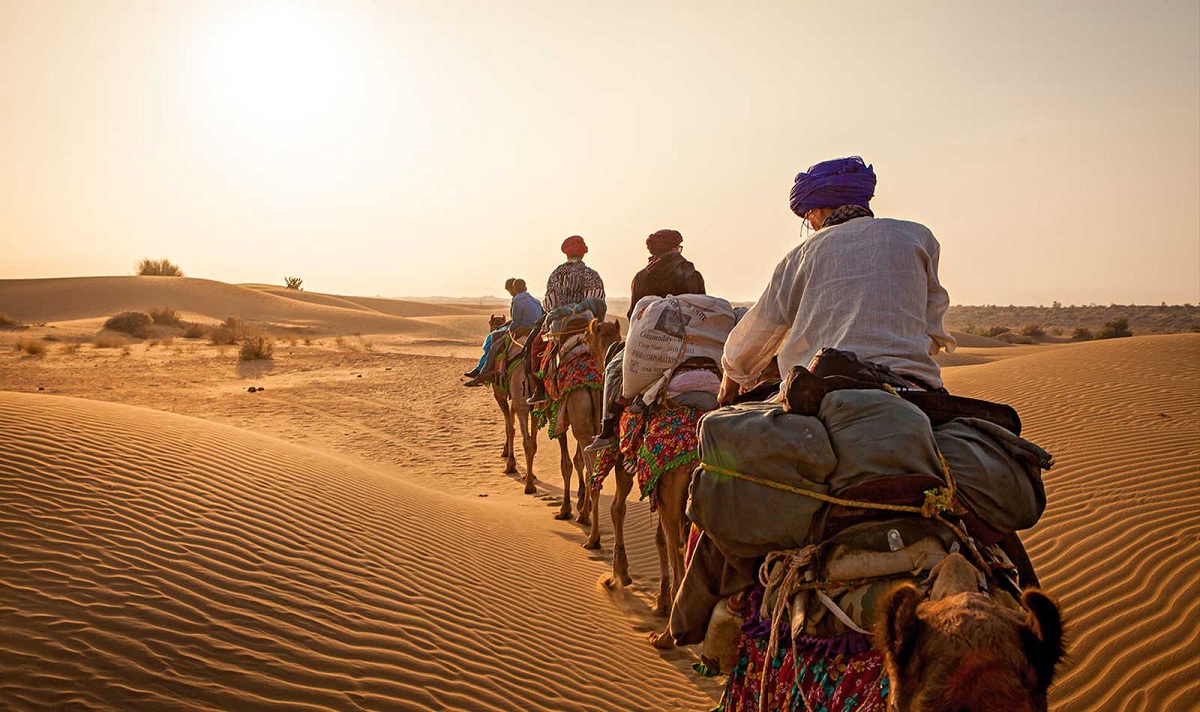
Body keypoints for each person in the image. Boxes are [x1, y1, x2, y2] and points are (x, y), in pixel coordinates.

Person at [718, 156, 955, 406]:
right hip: (914, 390)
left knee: (720, 426)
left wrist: (728, 389)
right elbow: (934, 330)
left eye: (808, 217)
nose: (812, 226)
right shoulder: (917, 236)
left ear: (817, 210)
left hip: (821, 390)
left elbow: (755, 333)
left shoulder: (801, 255)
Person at [585, 228, 706, 452]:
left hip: (651, 349)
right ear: (674, 248)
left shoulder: (642, 277)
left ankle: (607, 428)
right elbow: (702, 310)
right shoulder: (693, 275)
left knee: (612, 370)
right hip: (691, 346)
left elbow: (633, 315)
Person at [525, 235, 606, 405]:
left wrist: (563, 311)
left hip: (560, 324)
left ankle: (540, 389)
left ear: (566, 253)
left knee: (535, 348)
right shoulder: (591, 275)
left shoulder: (556, 275)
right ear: (583, 253)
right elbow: (598, 302)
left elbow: (549, 304)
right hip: (587, 324)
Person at [464, 278, 544, 387]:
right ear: (525, 287)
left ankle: (483, 374)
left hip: (522, 331)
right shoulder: (536, 301)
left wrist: (509, 329)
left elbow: (516, 322)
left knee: (494, 346)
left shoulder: (517, 301)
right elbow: (542, 316)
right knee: (495, 336)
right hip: (535, 331)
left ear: (514, 288)